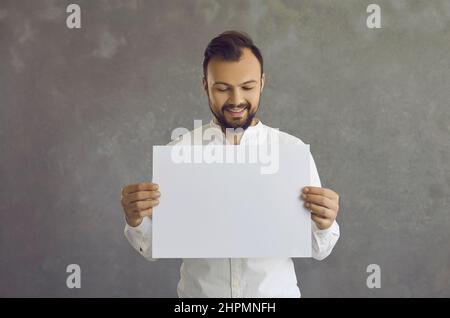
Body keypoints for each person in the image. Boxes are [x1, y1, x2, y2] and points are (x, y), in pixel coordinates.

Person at [121, 30, 340, 297]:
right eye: (223, 88)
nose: (236, 100)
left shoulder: (292, 152)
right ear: (205, 86)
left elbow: (319, 249)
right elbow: (156, 248)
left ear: (262, 83)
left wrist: (325, 222)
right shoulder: (178, 153)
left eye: (247, 87)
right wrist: (136, 220)